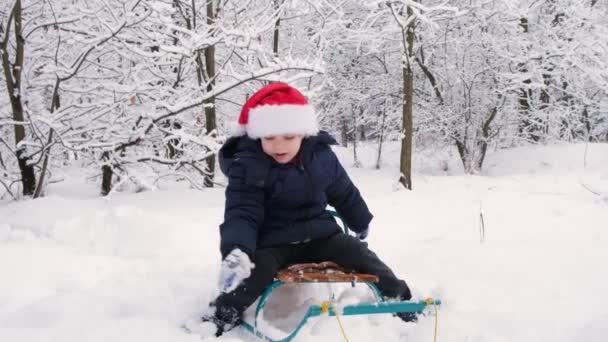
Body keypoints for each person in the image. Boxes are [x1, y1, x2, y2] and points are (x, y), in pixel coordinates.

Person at [203, 82, 414, 337]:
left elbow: (343, 190)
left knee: (356, 250)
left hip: (319, 235)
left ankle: (399, 297)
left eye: (289, 137)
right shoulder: (249, 165)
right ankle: (224, 313)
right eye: (269, 138)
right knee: (256, 269)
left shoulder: (321, 157)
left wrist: (359, 220)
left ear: (304, 133)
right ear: (258, 135)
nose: (279, 145)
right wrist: (238, 250)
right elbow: (242, 212)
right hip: (272, 241)